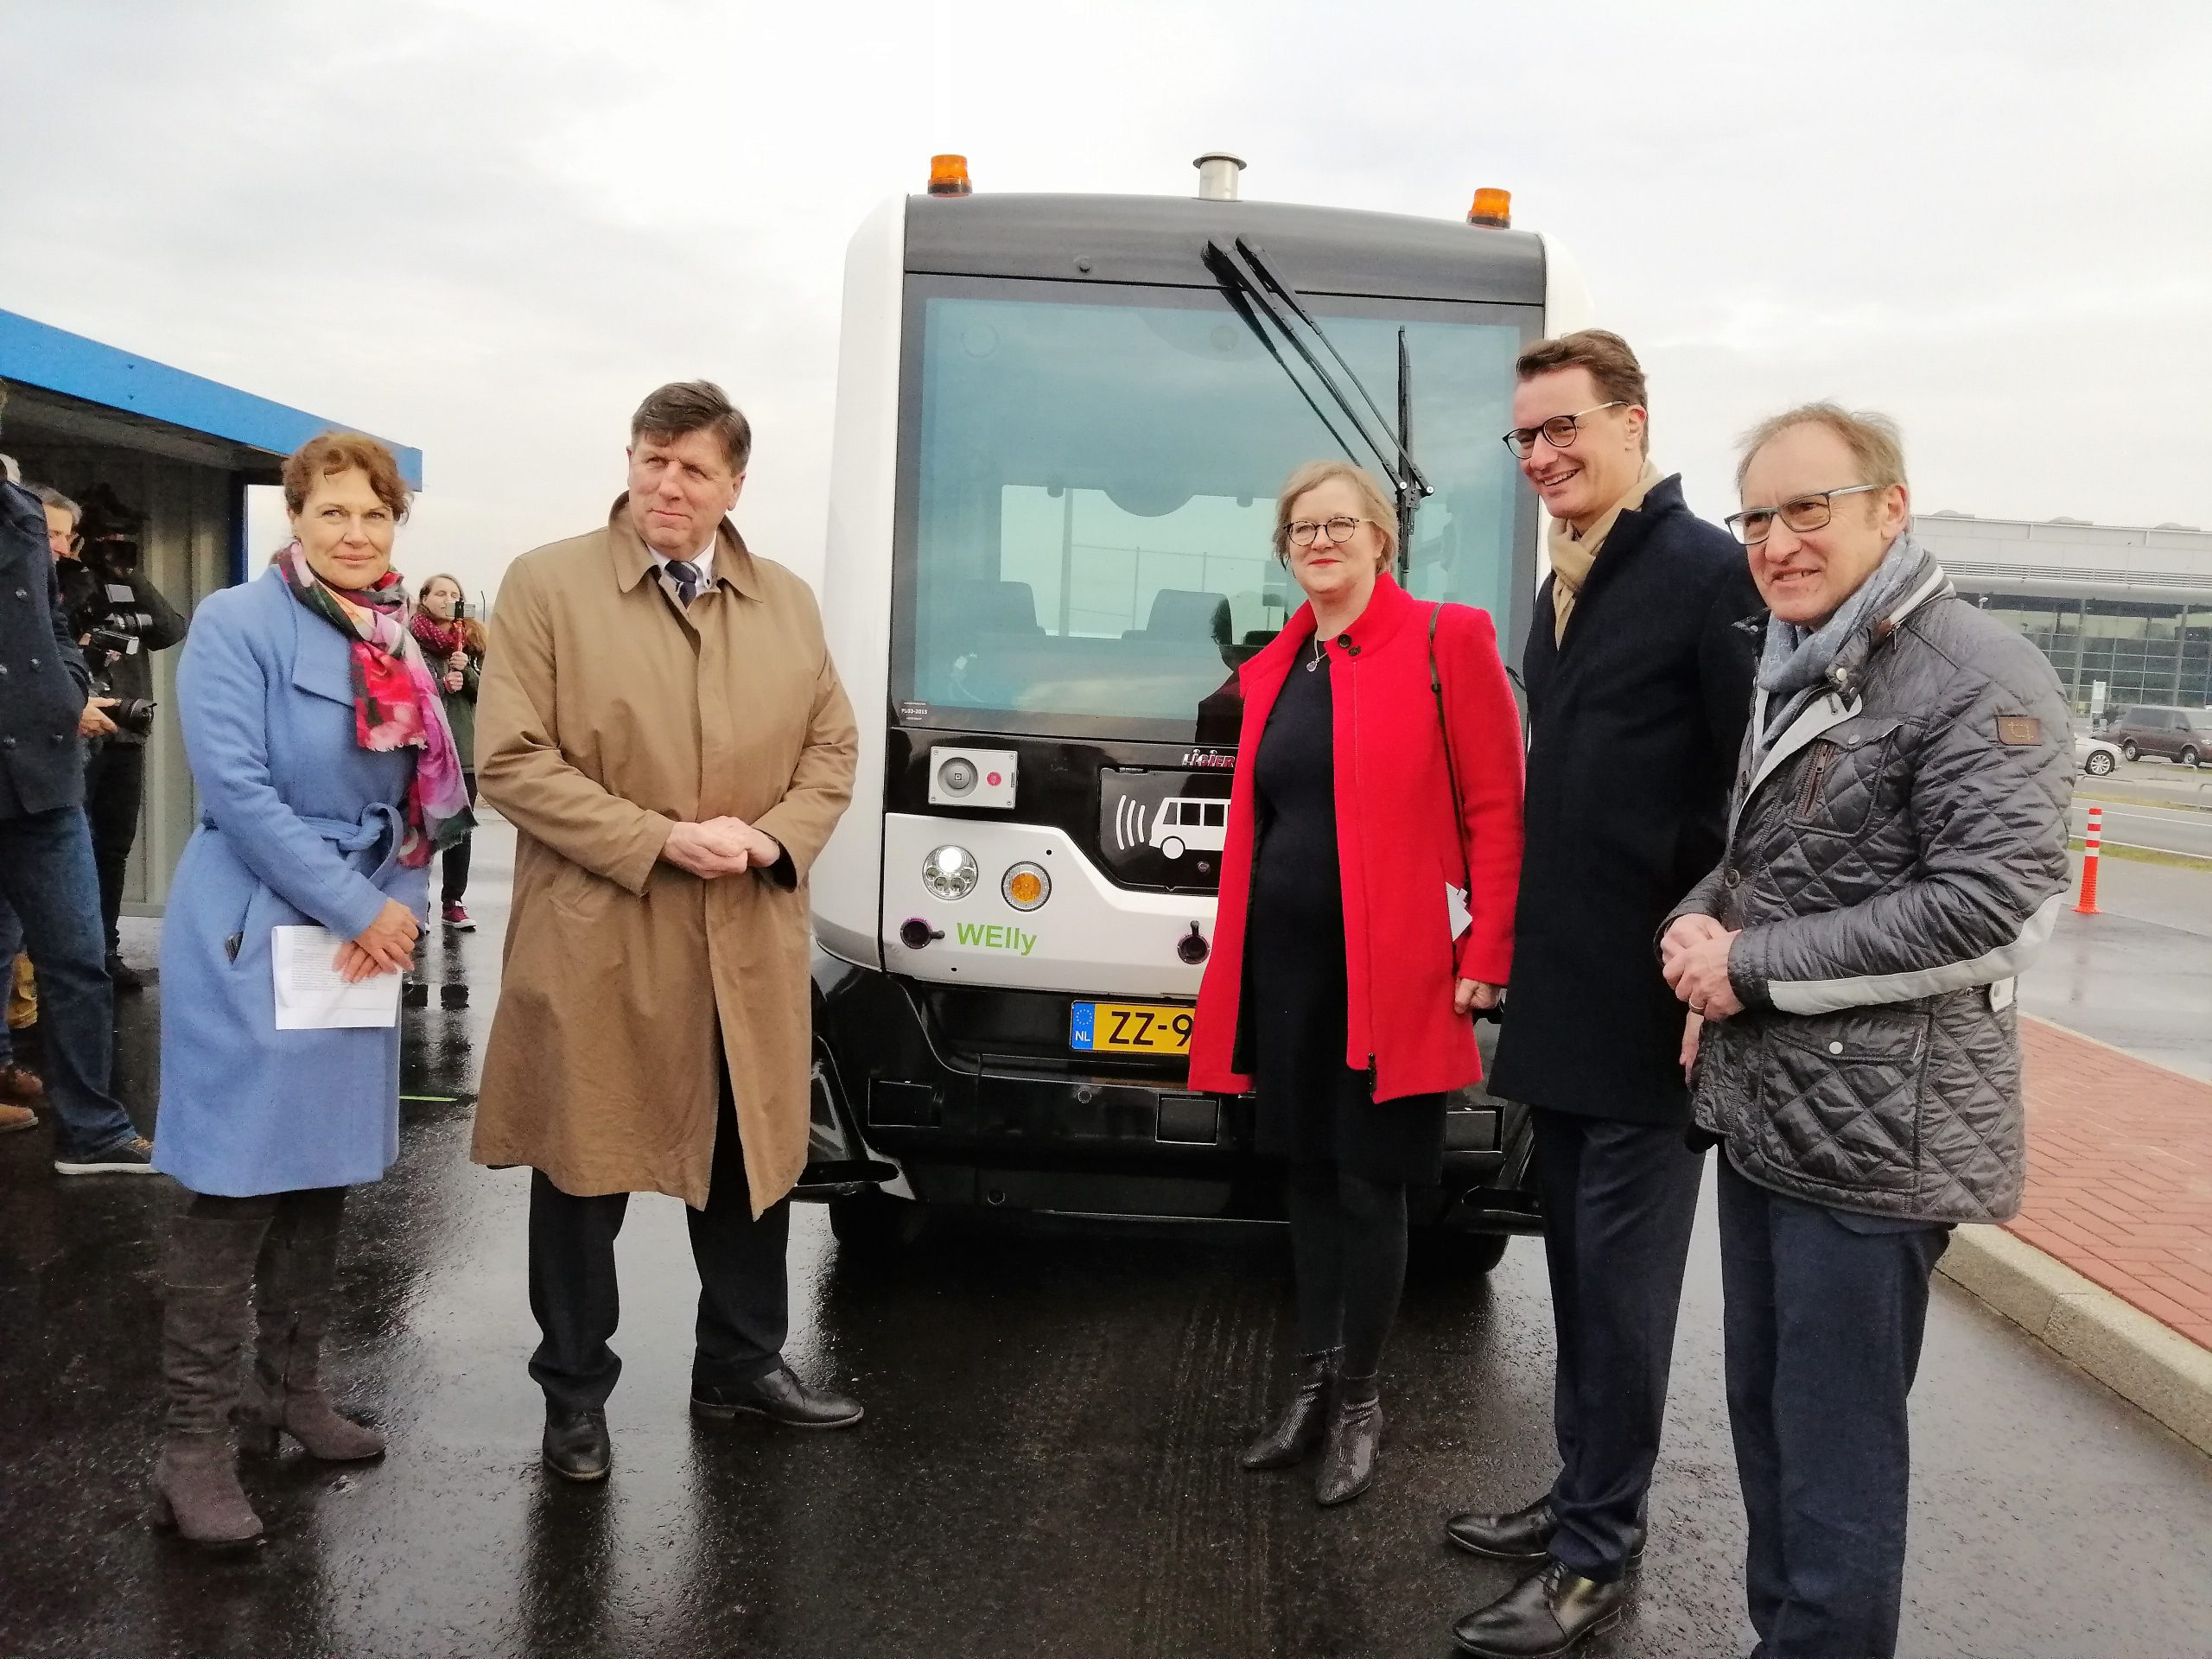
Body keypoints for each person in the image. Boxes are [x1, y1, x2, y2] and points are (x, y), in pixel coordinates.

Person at [1662, 405, 2069, 1659]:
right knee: (1771, 1427)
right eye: (1757, 517)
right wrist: (1697, 920)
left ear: (1891, 508)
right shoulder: (1801, 660)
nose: (1777, 542)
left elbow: (1994, 908)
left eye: (1808, 509)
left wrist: (1749, 966)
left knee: (1833, 1457)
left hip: (1879, 1141)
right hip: (1774, 1116)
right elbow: (1775, 860)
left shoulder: (1979, 673)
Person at [471, 380, 861, 1484]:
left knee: (748, 1160)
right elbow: (511, 760)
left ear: (736, 484)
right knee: (584, 1164)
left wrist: (771, 838)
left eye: (693, 468)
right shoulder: (547, 584)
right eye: (652, 460)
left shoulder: (785, 601)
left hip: (742, 932)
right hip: (602, 930)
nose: (667, 485)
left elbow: (831, 750)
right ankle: (573, 1394)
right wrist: (657, 838)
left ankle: (740, 1363)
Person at [1448, 331, 1763, 1659]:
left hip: (1652, 1011)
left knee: (1624, 1296)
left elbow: (1752, 794)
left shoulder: (1705, 574)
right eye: (1524, 436)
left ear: (1633, 422)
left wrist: (1720, 947)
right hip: (1564, 1000)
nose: (1541, 455)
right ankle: (1580, 1494)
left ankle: (1595, 1559)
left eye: (1563, 427)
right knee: (1577, 1278)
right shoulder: (1563, 583)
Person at [147, 433, 471, 1548]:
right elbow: (235, 790)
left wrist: (401, 909)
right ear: (295, 516)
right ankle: (192, 1446)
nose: (355, 533)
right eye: (333, 512)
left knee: (320, 1171)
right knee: (234, 1180)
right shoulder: (235, 624)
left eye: (375, 515)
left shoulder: (398, 640)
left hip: (364, 925)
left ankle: (290, 1392)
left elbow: (426, 800)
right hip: (257, 922)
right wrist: (354, 908)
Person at [1188, 461, 1524, 1507]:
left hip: (1397, 971)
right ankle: (1313, 1384)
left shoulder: (1444, 639)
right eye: (1302, 530)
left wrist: (1487, 955)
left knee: (1372, 1184)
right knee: (1304, 1178)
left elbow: (1498, 809)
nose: (1320, 542)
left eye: (1340, 525)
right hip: (1285, 967)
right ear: (1284, 551)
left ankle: (1362, 1404)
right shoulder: (1278, 665)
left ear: (1383, 537)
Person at [0, 475, 150, 1173]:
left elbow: (52, 623)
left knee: (79, 960)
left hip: (44, 779)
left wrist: (70, 684)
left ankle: (93, 1132)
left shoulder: (24, 514)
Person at [44, 483, 188, 991]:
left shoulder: (125, 581)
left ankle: (106, 949)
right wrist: (80, 573)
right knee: (71, 846)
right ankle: (69, 958)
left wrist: (129, 573)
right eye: (102, 540)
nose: (112, 548)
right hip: (75, 729)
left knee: (113, 847)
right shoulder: (58, 580)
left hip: (124, 731)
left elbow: (170, 629)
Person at [410, 573, 483, 930]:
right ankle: (415, 902)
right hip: (423, 748)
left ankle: (453, 900)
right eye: (440, 593)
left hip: (463, 749)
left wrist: (465, 672)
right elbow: (405, 689)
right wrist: (441, 684)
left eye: (454, 594)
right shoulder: (409, 640)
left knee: (459, 829)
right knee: (418, 829)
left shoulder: (471, 643)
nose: (447, 599)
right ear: (424, 598)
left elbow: (488, 692)